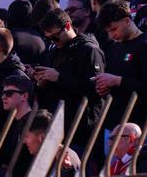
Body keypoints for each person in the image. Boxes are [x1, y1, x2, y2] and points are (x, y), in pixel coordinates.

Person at [31, 8, 105, 150]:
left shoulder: (89, 50)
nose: (54, 41)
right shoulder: (54, 52)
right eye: (49, 39)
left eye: (55, 37)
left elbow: (95, 89)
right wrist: (41, 82)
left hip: (80, 127)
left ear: (68, 26)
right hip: (56, 124)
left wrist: (59, 77)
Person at [93, 0, 147, 127]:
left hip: (137, 125)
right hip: (113, 122)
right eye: (108, 31)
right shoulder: (114, 47)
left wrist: (118, 81)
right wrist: (104, 87)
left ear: (127, 20)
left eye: (114, 29)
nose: (112, 35)